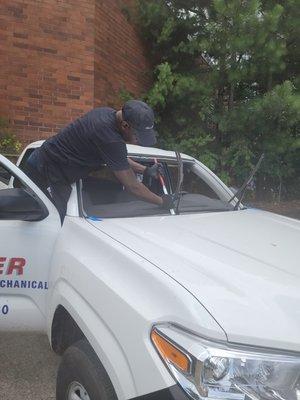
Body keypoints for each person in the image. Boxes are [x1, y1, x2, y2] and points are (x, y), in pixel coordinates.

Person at [23, 99, 176, 222]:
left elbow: (117, 158)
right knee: (52, 221)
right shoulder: (109, 137)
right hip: (44, 171)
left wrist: (146, 170)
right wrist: (162, 202)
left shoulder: (106, 113)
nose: (138, 141)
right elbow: (132, 186)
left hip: (50, 164)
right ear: (125, 125)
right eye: (137, 136)